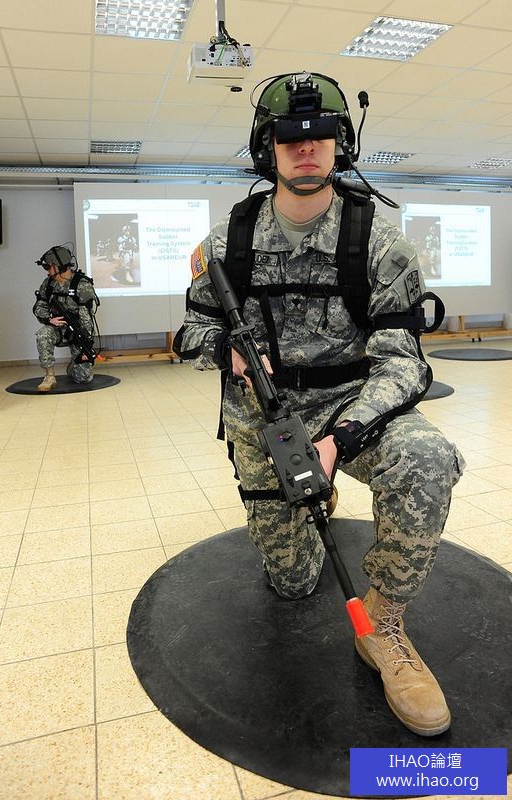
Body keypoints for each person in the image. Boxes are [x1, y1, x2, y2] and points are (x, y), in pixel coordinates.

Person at [174, 72, 464, 737]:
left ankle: (384, 627)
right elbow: (191, 330)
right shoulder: (224, 244)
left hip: (350, 406)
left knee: (427, 458)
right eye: (289, 137)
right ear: (267, 148)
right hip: (263, 418)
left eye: (320, 135)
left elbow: (404, 364)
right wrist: (226, 351)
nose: (306, 148)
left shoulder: (383, 244)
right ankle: (305, 519)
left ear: (342, 143)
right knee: (294, 583)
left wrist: (342, 439)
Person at [33, 245, 98, 391]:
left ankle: (74, 365)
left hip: (78, 332)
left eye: (48, 267)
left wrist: (85, 344)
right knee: (43, 334)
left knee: (83, 378)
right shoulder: (48, 284)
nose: (47, 271)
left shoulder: (82, 284)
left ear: (60, 266)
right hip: (58, 329)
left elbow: (86, 317)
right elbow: (40, 306)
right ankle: (49, 376)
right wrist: (48, 319)